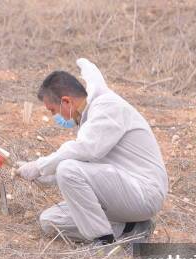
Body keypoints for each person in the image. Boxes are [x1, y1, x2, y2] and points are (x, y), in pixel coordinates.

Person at [17, 58, 168, 246]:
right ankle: (130, 229)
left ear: (66, 101)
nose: (54, 116)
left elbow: (83, 152)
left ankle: (103, 240)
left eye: (52, 110)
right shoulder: (90, 117)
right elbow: (86, 170)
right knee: (50, 221)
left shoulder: (107, 107)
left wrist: (40, 166)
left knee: (67, 169)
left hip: (143, 193)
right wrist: (37, 174)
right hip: (120, 191)